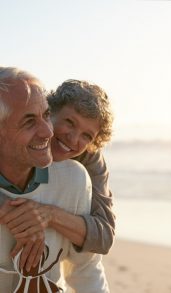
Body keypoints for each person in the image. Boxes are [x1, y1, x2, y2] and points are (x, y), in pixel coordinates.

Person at [0, 67, 109, 292]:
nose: (47, 132)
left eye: (45, 116)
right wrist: (9, 210)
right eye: (69, 122)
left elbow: (100, 243)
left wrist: (47, 214)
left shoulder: (78, 174)